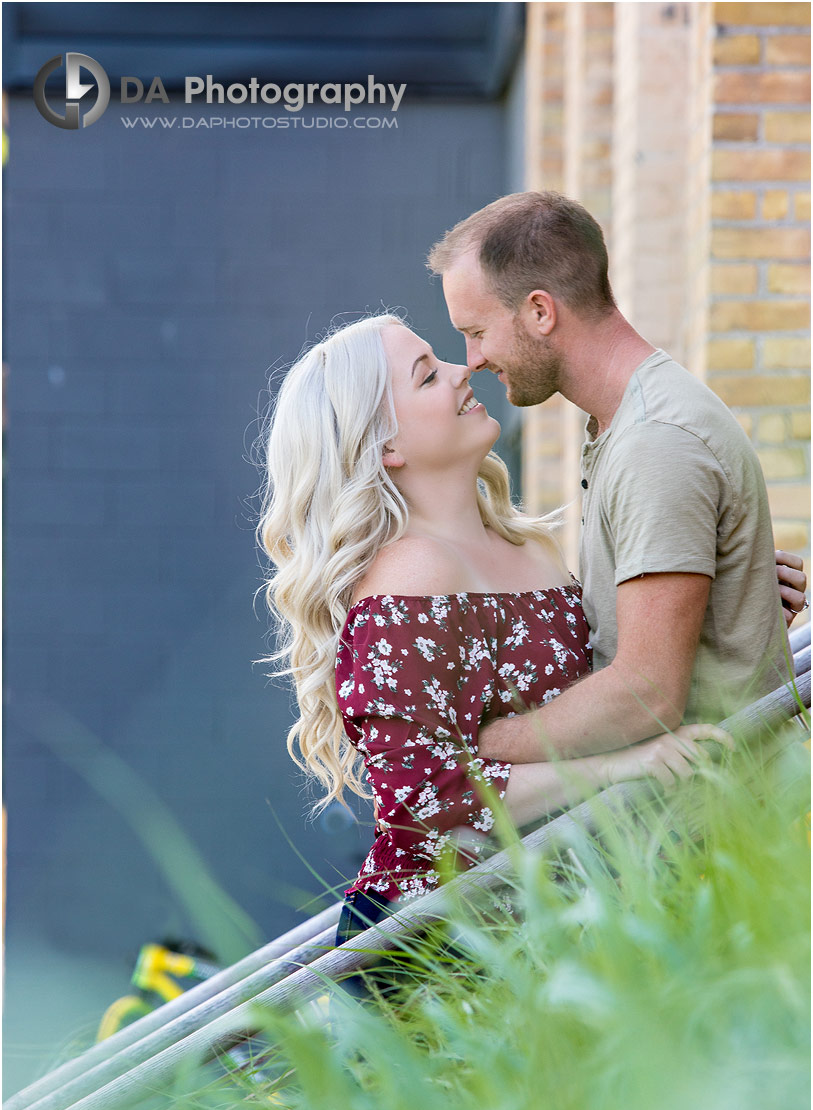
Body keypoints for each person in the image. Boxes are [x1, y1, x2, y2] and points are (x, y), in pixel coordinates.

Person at [257, 314, 734, 954]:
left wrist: (719, 600)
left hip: (554, 921)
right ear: (386, 446)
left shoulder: (526, 546)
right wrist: (620, 769)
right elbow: (424, 794)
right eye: (428, 376)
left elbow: (610, 687)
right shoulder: (409, 575)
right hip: (444, 950)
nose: (463, 370)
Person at [427, 191, 807, 767]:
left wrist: (469, 749)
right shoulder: (624, 425)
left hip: (709, 831)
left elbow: (644, 697)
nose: (472, 358)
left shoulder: (654, 443)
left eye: (476, 331)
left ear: (539, 311)